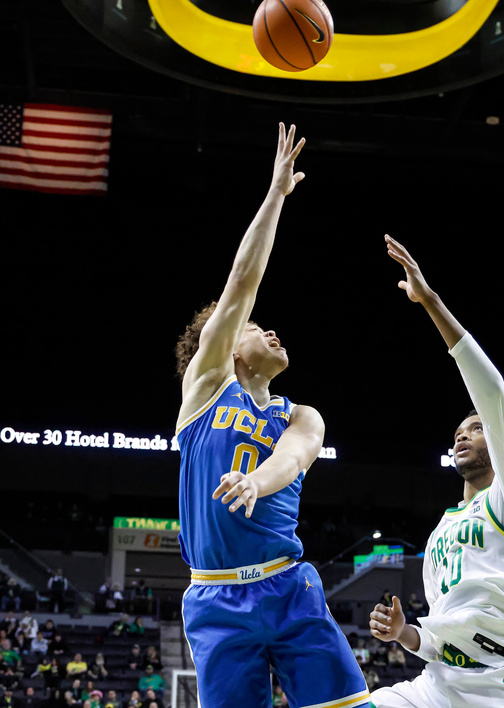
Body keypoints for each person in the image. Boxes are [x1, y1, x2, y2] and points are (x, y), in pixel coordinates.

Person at [173, 124, 367, 708]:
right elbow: (242, 283)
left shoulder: (301, 415)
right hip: (215, 598)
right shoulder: (207, 387)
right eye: (258, 328)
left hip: (289, 586)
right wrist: (276, 195)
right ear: (230, 344)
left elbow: (293, 457)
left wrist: (255, 481)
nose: (272, 330)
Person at [368, 235, 504, 707]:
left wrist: (430, 302)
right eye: (458, 432)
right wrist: (405, 632)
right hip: (438, 682)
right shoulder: (441, 531)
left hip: (501, 685)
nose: (462, 436)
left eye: (477, 428)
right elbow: (438, 632)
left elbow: (494, 394)